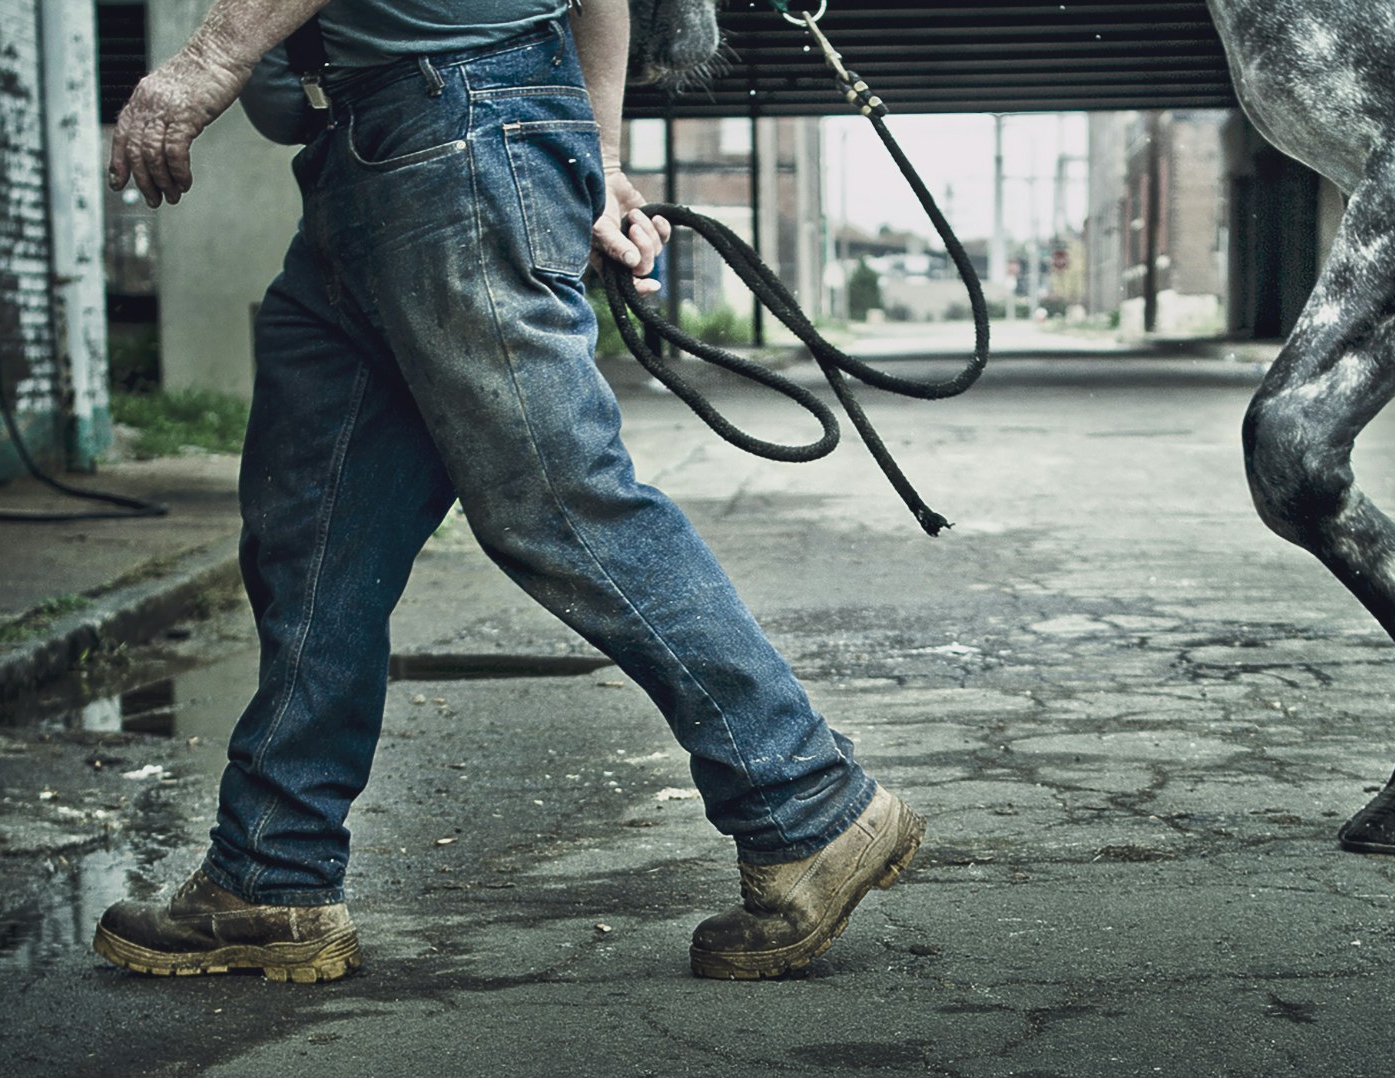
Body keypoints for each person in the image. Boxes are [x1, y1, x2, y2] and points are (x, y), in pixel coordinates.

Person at [92, 0, 920, 983]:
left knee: (557, 500)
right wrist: (594, 149)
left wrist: (204, 60)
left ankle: (803, 800)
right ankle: (270, 873)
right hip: (370, 154)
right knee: (311, 525)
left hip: (454, 129)